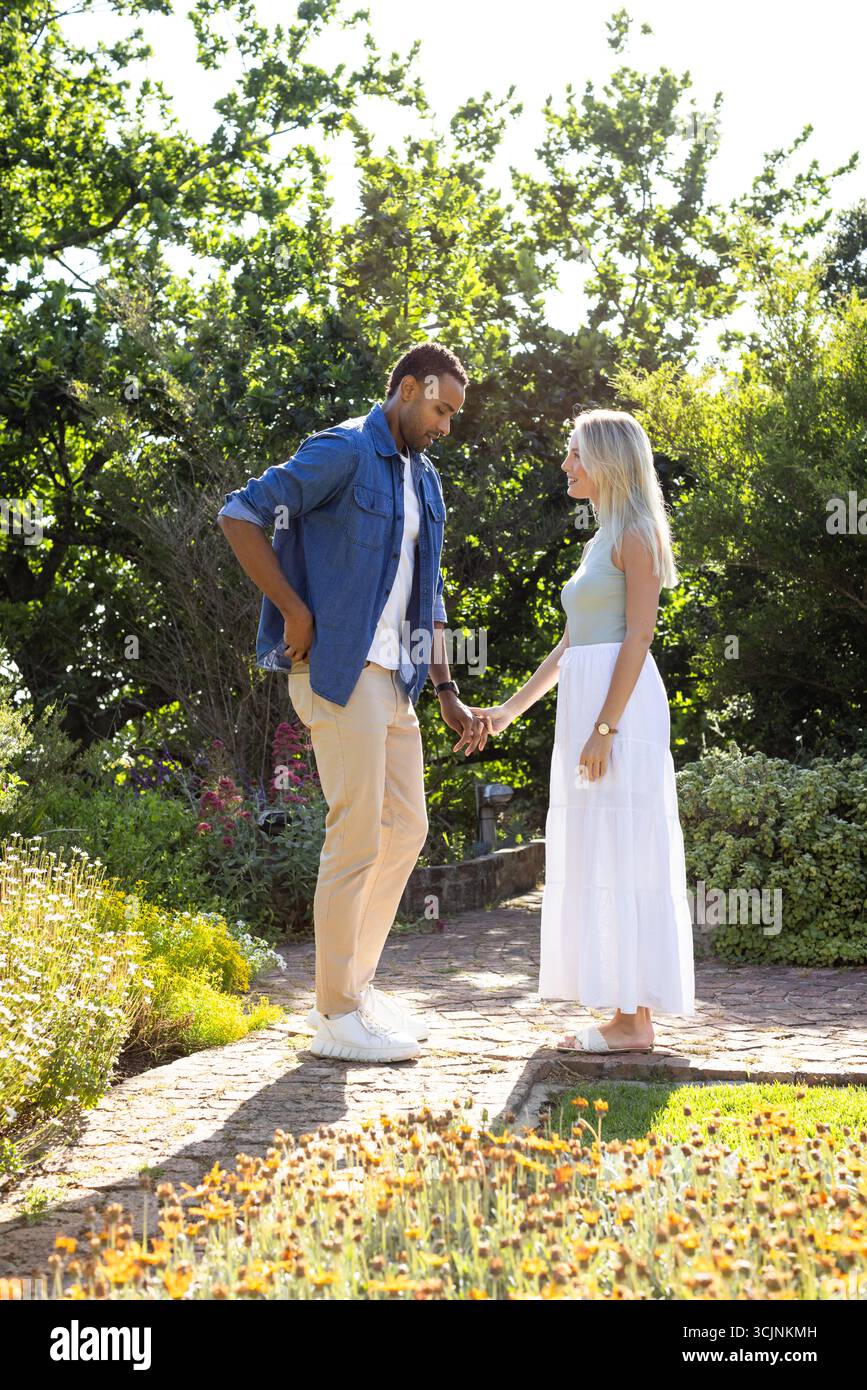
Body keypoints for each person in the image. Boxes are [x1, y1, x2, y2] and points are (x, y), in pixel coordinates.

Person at [217, 342, 489, 1063]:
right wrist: (293, 612)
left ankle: (353, 991)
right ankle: (335, 1014)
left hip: (396, 680)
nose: (445, 426)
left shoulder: (424, 480)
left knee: (406, 830)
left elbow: (426, 593)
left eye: (453, 415)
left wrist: (446, 689)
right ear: (406, 389)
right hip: (339, 670)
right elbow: (240, 514)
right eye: (440, 409)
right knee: (358, 834)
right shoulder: (340, 450)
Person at [471, 409, 696, 1052]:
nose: (566, 464)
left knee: (627, 846)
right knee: (600, 846)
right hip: (588, 702)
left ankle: (635, 1022)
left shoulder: (638, 534)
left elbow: (640, 636)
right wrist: (509, 711)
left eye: (574, 453)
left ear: (605, 459)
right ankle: (625, 1013)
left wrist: (605, 727)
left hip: (619, 709)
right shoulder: (600, 538)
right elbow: (571, 644)